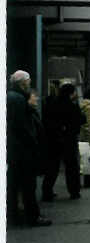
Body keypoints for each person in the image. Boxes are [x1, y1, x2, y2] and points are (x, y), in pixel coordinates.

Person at [6, 71, 51, 227]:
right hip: (23, 151)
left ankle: (13, 216)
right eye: (28, 80)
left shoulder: (11, 96)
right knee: (28, 186)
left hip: (14, 150)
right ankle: (33, 217)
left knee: (14, 184)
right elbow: (23, 127)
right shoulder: (18, 99)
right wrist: (34, 145)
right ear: (22, 82)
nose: (30, 83)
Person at [42, 84, 85, 200]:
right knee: (71, 167)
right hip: (69, 140)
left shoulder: (51, 104)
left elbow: (46, 121)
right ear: (71, 93)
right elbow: (80, 120)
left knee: (52, 166)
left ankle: (47, 192)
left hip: (53, 139)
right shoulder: (72, 106)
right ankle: (74, 192)